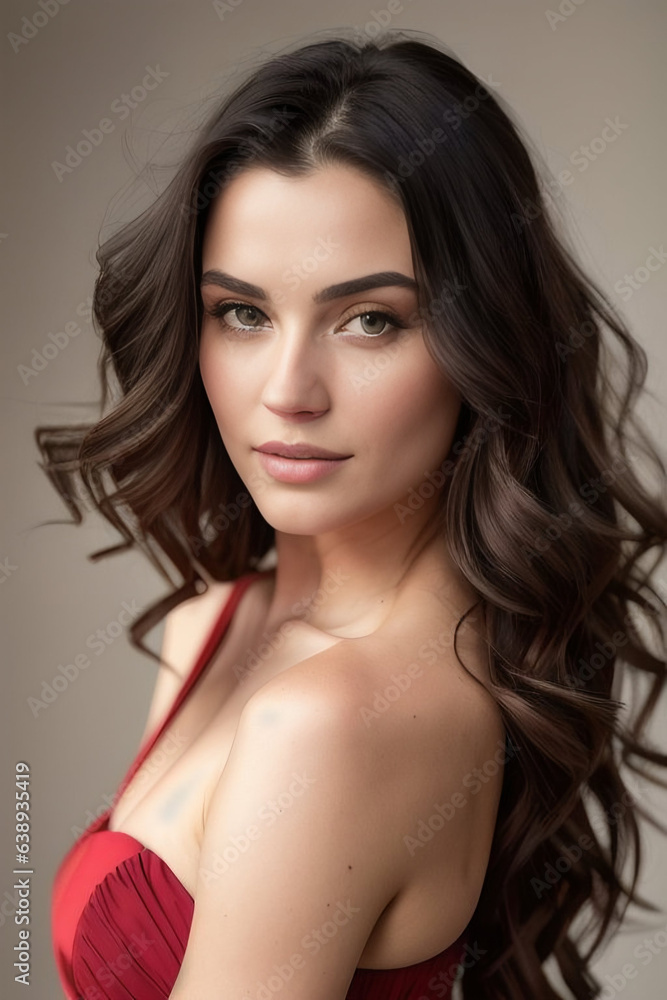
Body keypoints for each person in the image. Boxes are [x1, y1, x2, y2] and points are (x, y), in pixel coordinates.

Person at [40, 27, 667, 1000]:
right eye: (242, 312)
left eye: (370, 318)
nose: (287, 389)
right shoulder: (218, 621)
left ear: (483, 343)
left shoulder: (329, 724)